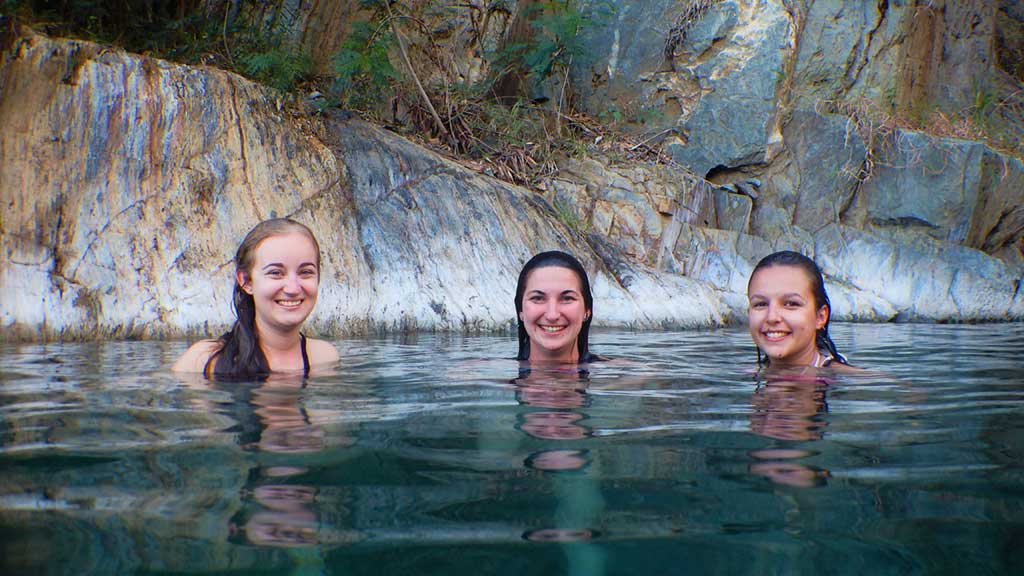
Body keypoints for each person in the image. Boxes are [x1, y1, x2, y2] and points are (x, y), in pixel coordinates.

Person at [173, 218, 339, 377]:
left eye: (306, 272)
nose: (293, 288)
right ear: (246, 281)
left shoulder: (324, 358)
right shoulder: (203, 362)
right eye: (275, 273)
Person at [746, 250, 853, 370]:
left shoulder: (853, 381)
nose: (772, 317)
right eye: (761, 304)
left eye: (791, 303)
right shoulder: (739, 376)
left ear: (820, 317)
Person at [514, 251, 602, 365]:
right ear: (521, 310)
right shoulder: (488, 372)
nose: (552, 315)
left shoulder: (622, 375)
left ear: (587, 310)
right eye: (538, 298)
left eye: (567, 298)